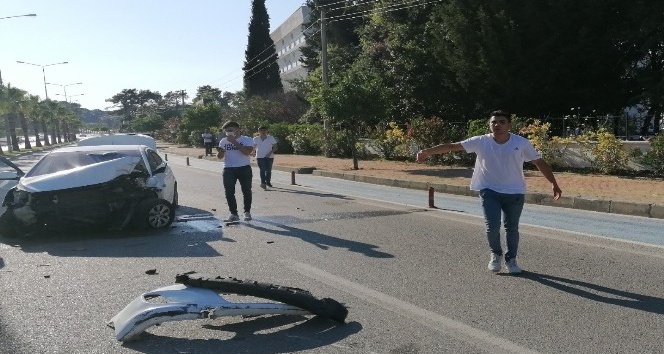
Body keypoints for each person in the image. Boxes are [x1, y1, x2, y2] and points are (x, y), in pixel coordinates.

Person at [416, 110, 562, 274]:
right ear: (489, 124)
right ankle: (495, 254)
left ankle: (511, 260)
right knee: (492, 226)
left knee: (511, 228)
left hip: (514, 193)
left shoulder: (521, 143)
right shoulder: (480, 141)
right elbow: (453, 146)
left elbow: (539, 162)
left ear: (509, 125)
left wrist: (553, 183)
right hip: (489, 191)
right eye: (494, 122)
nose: (497, 125)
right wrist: (427, 152)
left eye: (501, 122)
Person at [216, 121, 256, 222]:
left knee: (246, 191)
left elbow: (247, 152)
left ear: (238, 129)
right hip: (229, 168)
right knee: (229, 192)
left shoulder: (247, 139)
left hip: (244, 168)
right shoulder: (223, 141)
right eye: (226, 131)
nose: (228, 133)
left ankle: (247, 212)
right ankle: (234, 213)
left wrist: (234, 142)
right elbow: (220, 157)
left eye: (230, 130)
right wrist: (220, 153)